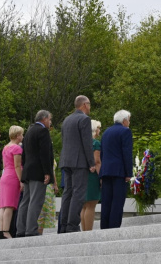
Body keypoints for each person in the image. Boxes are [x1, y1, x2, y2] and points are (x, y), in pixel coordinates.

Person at [59, 95, 96, 233]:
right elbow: (87, 143)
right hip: (79, 162)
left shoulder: (66, 120)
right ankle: (72, 225)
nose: (90, 107)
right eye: (90, 104)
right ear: (85, 105)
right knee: (78, 193)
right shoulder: (84, 119)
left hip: (66, 160)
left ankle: (63, 225)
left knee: (67, 192)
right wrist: (91, 162)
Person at [17, 110, 55, 237]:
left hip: (28, 171)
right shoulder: (43, 131)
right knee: (36, 200)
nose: (50, 122)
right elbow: (45, 154)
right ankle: (31, 229)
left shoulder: (29, 131)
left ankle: (21, 229)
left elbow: (24, 154)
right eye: (49, 119)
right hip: (38, 171)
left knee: (26, 201)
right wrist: (47, 172)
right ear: (44, 119)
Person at [99, 110, 133, 229]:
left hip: (106, 171)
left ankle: (104, 227)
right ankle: (113, 228)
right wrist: (129, 173)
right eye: (128, 120)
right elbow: (127, 153)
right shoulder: (125, 131)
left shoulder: (106, 132)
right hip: (119, 172)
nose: (129, 123)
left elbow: (102, 154)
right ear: (124, 121)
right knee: (117, 202)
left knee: (106, 201)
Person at [0, 125, 24, 239]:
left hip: (4, 176)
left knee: (3, 206)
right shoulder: (17, 148)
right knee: (10, 206)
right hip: (12, 176)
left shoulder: (5, 147)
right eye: (22, 134)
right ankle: (6, 231)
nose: (22, 136)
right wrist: (21, 180)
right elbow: (17, 165)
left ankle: (1, 230)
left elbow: (4, 164)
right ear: (17, 136)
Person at [81, 120, 102, 231]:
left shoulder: (82, 142)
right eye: (98, 128)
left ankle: (84, 231)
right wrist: (101, 176)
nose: (99, 130)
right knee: (91, 205)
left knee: (84, 205)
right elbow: (96, 161)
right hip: (92, 176)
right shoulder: (96, 143)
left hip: (82, 175)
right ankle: (88, 232)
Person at [37, 159, 58, 235]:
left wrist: (55, 184)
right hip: (45, 184)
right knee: (43, 210)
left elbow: (53, 171)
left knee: (45, 211)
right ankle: (38, 232)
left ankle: (40, 232)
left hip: (49, 185)